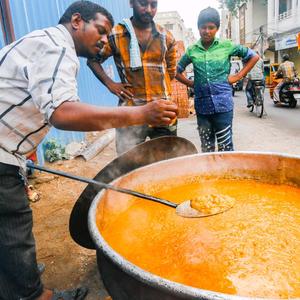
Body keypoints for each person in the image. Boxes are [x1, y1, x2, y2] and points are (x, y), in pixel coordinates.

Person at [0, 1, 177, 300]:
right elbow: (63, 113)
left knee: (5, 231)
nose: (104, 40)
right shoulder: (57, 46)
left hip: (7, 151)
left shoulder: (42, 41)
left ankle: (15, 281)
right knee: (14, 226)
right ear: (77, 21)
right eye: (101, 31)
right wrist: (141, 114)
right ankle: (34, 295)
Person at [88, 0, 177, 155]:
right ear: (131, 3)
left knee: (167, 162)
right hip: (130, 113)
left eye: (153, 5)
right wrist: (110, 84)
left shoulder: (166, 37)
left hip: (163, 112)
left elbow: (171, 72)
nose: (148, 9)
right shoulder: (116, 35)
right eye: (143, 3)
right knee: (127, 163)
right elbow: (93, 60)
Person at [176, 7, 259, 153]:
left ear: (217, 28)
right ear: (198, 28)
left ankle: (227, 174)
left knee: (226, 146)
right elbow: (176, 71)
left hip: (223, 106)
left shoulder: (226, 46)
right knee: (206, 147)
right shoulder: (192, 50)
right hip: (202, 107)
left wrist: (239, 76)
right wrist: (191, 84)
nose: (207, 31)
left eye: (211, 27)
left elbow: (253, 56)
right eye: (203, 27)